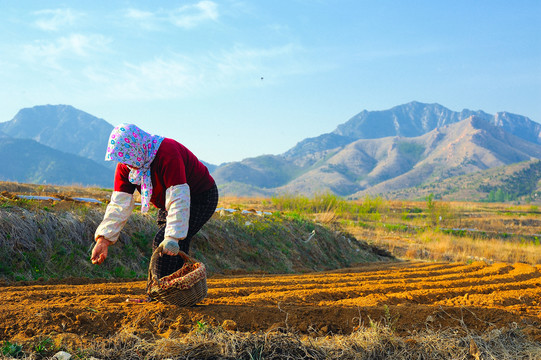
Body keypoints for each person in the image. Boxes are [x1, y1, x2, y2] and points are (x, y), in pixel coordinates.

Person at [90, 123, 218, 287]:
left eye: (129, 158)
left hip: (200, 196)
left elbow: (179, 198)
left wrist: (172, 237)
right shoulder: (126, 166)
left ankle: (161, 290)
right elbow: (118, 205)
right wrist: (103, 239)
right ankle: (172, 291)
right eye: (124, 160)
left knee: (166, 241)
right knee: (170, 242)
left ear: (137, 148)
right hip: (169, 202)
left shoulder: (167, 153)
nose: (128, 164)